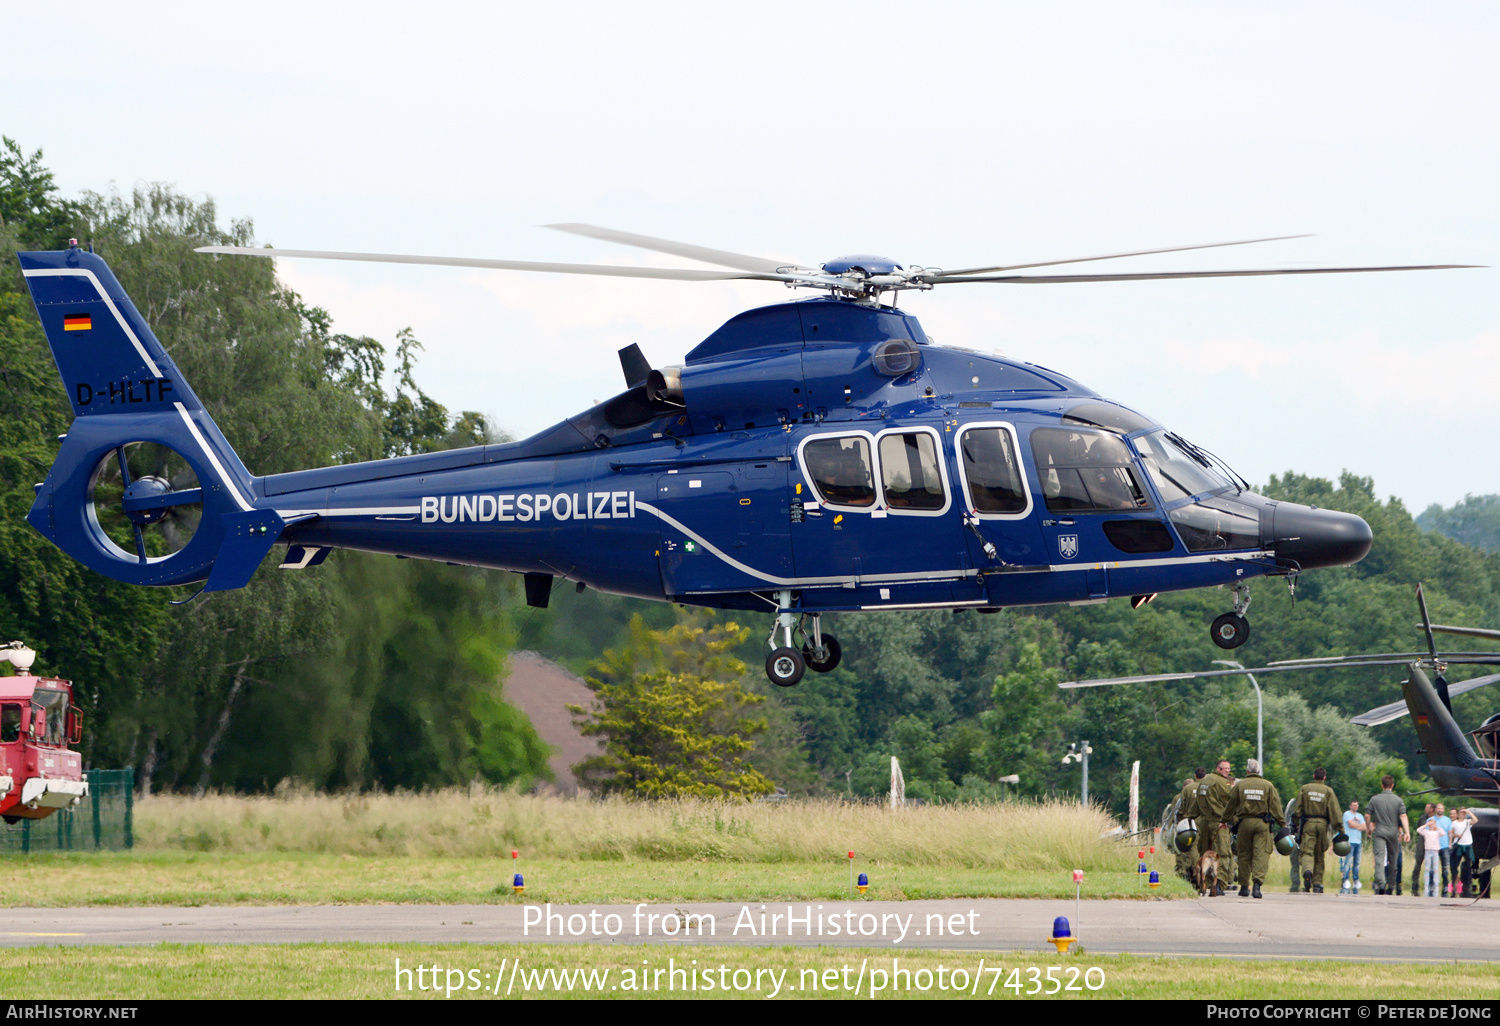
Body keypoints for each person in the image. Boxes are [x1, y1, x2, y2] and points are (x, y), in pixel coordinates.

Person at [1225, 757, 1285, 898]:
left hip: (1244, 824)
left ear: (1247, 771)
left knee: (1244, 854)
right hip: (1262, 824)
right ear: (1258, 771)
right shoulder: (1268, 786)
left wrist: (1224, 820)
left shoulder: (1240, 785)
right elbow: (1276, 807)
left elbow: (1230, 804)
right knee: (1261, 854)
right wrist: (1282, 824)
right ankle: (1257, 885)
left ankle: (1244, 887)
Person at [1295, 768, 1340, 893]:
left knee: (1307, 852)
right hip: (1322, 824)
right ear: (1324, 778)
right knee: (1319, 854)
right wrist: (1340, 829)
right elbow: (1335, 812)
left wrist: (1295, 825)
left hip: (1308, 823)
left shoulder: (1305, 789)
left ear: (1314, 776)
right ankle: (1317, 883)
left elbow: (1297, 810)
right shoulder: (1328, 791)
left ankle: (1307, 871)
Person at [1194, 759, 1235, 895]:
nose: (1228, 771)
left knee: (1205, 854)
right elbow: (1230, 801)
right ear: (1218, 769)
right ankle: (1218, 885)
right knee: (1221, 853)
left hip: (1204, 821)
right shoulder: (1223, 782)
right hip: (1218, 822)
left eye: (1229, 769)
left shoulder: (1204, 781)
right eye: (1225, 769)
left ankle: (1202, 884)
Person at [1367, 775, 1410, 896]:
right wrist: (1407, 832)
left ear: (1382, 785)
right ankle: (1391, 885)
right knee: (1393, 859)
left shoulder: (1374, 799)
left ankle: (1380, 883)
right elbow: (1403, 816)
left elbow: (1367, 815)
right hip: (1393, 832)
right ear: (1392, 785)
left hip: (1379, 831)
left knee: (1379, 858)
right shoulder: (1398, 800)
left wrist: (1368, 828)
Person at [1175, 769, 1205, 882]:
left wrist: (1181, 821)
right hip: (1208, 821)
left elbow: (1180, 808)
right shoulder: (1209, 786)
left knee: (1192, 847)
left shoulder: (1188, 788)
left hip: (1191, 823)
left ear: (1195, 776)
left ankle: (1195, 870)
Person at [1341, 799, 1367, 893]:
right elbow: (1350, 825)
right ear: (1350, 806)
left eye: (1356, 805)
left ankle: (1356, 879)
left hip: (1358, 841)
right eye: (1353, 805)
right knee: (1347, 862)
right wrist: (1358, 826)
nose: (1355, 807)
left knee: (1357, 862)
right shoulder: (1347, 814)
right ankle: (1346, 879)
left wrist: (1357, 826)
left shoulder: (1360, 815)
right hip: (1349, 841)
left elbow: (1365, 827)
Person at [1451, 808, 1478, 897]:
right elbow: (1451, 834)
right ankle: (1454, 889)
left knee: (1468, 867)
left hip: (1467, 845)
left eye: (1464, 813)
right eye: (1461, 813)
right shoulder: (1454, 823)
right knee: (1455, 867)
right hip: (1459, 845)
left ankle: (1468, 888)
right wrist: (1456, 835)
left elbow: (1475, 820)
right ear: (1458, 814)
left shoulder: (1467, 822)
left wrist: (1469, 812)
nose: (1463, 814)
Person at [1417, 810, 1444, 896]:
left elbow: (1443, 833)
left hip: (1435, 851)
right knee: (1427, 869)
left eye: (1432, 823)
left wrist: (1437, 828)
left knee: (1435, 869)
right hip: (1428, 851)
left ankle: (1436, 885)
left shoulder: (1437, 832)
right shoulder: (1426, 832)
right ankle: (1426, 885)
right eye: (1430, 823)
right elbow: (1419, 830)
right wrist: (1426, 825)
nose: (1431, 825)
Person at [1411, 803, 1435, 895]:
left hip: (1432, 844)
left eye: (1427, 807)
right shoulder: (1422, 818)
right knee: (1418, 864)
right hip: (1422, 843)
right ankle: (1415, 886)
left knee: (1432, 866)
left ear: (1432, 809)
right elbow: (1419, 828)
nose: (1425, 809)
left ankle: (1431, 886)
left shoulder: (1436, 819)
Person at [1433, 803, 1454, 896]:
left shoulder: (1448, 820)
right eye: (1438, 808)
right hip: (1434, 847)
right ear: (1436, 809)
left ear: (1443, 809)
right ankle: (1432, 885)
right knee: (1433, 868)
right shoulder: (1431, 820)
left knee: (1445, 868)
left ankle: (1445, 886)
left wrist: (1450, 843)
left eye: (1441, 808)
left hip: (1445, 846)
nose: (1440, 810)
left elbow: (1450, 832)